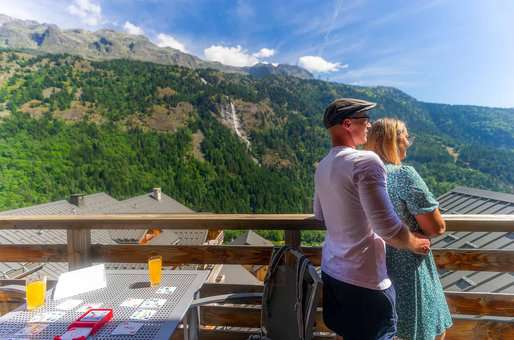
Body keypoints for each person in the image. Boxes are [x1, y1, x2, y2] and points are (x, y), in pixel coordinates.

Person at [313, 98, 431, 340]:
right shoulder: (365, 161)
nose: (369, 125)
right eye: (365, 121)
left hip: (333, 272)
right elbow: (387, 227)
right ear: (348, 124)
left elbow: (320, 214)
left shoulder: (323, 165)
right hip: (365, 278)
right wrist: (415, 243)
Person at [365, 118, 452, 340]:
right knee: (425, 330)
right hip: (410, 266)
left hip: (373, 268)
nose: (408, 142)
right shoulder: (403, 174)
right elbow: (436, 226)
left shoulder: (362, 175)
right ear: (393, 141)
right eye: (406, 137)